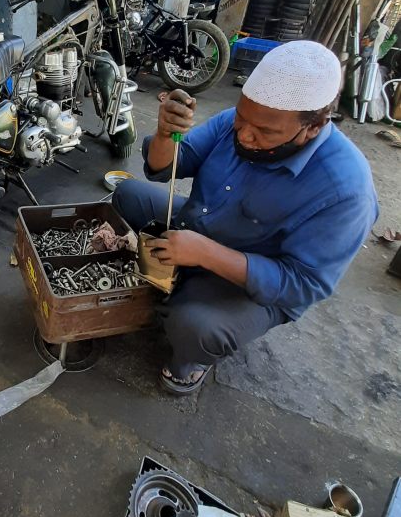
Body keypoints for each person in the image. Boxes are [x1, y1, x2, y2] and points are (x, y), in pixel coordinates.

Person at [113, 40, 378, 395]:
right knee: (127, 195)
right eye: (242, 119)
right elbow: (165, 168)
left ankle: (190, 361)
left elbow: (302, 284)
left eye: (265, 132)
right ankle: (178, 283)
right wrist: (166, 134)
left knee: (194, 326)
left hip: (250, 280)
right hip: (199, 227)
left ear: (314, 126)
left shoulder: (346, 191)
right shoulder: (239, 123)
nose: (246, 136)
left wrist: (205, 254)